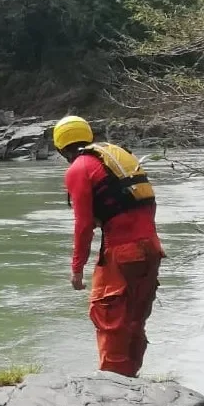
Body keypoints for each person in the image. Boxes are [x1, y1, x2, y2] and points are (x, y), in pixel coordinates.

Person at [52, 115, 165, 378]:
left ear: (60, 147)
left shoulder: (79, 168)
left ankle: (113, 391)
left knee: (109, 319)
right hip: (152, 248)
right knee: (135, 321)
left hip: (121, 252)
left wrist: (77, 268)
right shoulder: (118, 155)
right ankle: (132, 381)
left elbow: (83, 224)